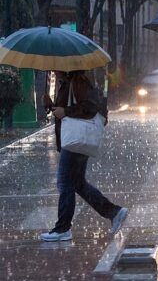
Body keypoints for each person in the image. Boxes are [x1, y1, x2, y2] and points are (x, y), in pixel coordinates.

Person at [40, 71, 128, 241]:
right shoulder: (68, 82)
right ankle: (114, 212)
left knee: (65, 182)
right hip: (75, 140)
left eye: (55, 68)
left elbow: (89, 106)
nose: (53, 71)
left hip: (76, 140)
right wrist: (51, 106)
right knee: (78, 183)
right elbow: (66, 109)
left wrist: (65, 111)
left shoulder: (78, 81)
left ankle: (62, 229)